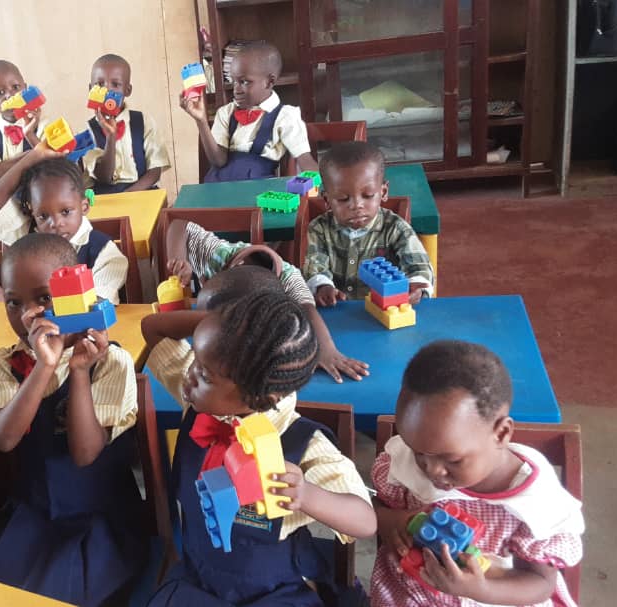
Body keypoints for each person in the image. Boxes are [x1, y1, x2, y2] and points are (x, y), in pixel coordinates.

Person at [142, 289, 376, 605]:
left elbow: (364, 521)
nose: (191, 375)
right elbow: (152, 327)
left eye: (205, 374)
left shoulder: (304, 444)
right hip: (200, 581)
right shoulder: (201, 400)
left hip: (274, 592)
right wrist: (225, 326)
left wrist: (307, 494)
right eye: (195, 359)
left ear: (262, 398)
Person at [0, 232, 145, 606]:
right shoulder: (8, 363)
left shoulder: (110, 362)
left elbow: (85, 454)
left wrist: (78, 370)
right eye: (13, 302)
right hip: (33, 513)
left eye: (43, 299)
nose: (28, 315)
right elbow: (4, 440)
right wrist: (44, 367)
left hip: (97, 517)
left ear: (76, 295)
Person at [370, 340, 584, 607]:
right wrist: (391, 521)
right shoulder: (404, 465)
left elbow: (541, 583)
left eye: (453, 460)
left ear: (501, 433)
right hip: (409, 595)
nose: (431, 470)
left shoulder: (535, 502)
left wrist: (479, 590)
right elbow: (373, 507)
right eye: (418, 452)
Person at [166, 217, 369, 382]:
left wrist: (326, 350)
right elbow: (179, 225)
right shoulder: (217, 255)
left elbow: (307, 309)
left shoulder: (289, 281)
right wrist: (179, 261)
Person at [0, 149, 128, 303]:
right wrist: (35, 155)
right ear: (32, 212)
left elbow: (95, 305)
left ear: (84, 206)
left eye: (66, 211)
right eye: (43, 216)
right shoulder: (29, 236)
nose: (55, 223)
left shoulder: (103, 252)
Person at [303, 141, 433, 306]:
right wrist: (322, 286)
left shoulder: (396, 228)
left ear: (383, 192)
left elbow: (419, 266)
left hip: (384, 311)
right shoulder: (319, 228)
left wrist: (416, 286)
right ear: (327, 200)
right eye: (343, 199)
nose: (356, 205)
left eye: (368, 195)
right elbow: (315, 266)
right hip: (337, 310)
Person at [179, 41, 316, 182]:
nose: (236, 89)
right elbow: (218, 161)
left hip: (259, 187)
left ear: (269, 82)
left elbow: (305, 160)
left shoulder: (285, 116)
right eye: (234, 81)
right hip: (219, 185)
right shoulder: (226, 112)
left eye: (244, 82)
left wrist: (322, 189)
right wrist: (201, 120)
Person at [82, 53, 171, 194]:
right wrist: (110, 138)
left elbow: (155, 171)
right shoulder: (88, 131)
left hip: (141, 190)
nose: (107, 90)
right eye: (99, 84)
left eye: (115, 84)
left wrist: (128, 195)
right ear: (90, 89)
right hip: (106, 196)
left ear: (127, 90)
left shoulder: (143, 121)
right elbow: (103, 177)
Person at [0, 59, 45, 184]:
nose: (10, 95)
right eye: (0, 92)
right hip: (5, 198)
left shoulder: (43, 126)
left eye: (15, 87)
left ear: (25, 88)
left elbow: (51, 164)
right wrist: (35, 155)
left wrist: (30, 135)